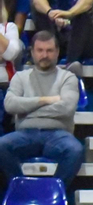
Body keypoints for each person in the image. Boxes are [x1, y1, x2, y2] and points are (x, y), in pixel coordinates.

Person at [0, 28, 80, 187]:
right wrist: (45, 100)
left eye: (49, 50)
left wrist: (27, 110)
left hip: (58, 135)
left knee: (75, 151)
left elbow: (67, 108)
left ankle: (55, 190)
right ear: (32, 52)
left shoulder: (68, 78)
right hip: (25, 134)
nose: (45, 55)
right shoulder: (20, 77)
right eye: (40, 50)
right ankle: (21, 188)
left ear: (57, 52)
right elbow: (9, 105)